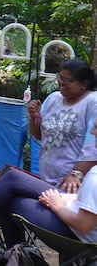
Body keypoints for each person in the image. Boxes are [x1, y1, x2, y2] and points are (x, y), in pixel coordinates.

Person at [0, 117, 97, 248]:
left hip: (79, 235)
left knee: (10, 203)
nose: (92, 132)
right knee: (13, 177)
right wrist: (63, 199)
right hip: (71, 208)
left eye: (96, 127)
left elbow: (84, 225)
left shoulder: (95, 177)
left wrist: (57, 206)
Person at [27, 58, 97, 189]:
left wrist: (75, 174)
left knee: (11, 181)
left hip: (73, 183)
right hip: (47, 179)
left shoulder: (92, 102)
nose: (61, 82)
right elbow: (40, 136)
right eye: (60, 77)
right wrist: (35, 117)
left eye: (67, 80)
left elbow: (93, 147)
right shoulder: (54, 98)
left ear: (84, 84)